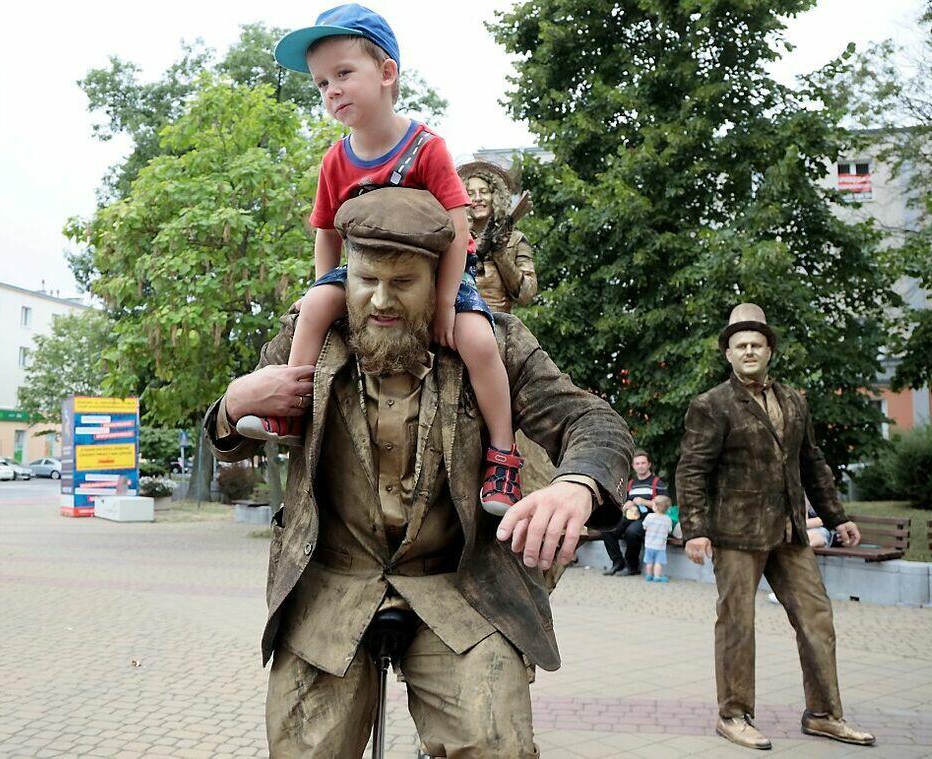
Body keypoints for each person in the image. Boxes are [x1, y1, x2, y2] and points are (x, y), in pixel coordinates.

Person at [206, 188, 633, 756]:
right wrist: (233, 405)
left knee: (495, 744)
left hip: (461, 586)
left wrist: (577, 485)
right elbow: (235, 436)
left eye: (403, 282)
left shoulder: (493, 340)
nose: (381, 300)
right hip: (331, 585)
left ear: (440, 280)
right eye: (365, 280)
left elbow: (593, 420)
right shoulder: (309, 335)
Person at [238, 4, 525, 515]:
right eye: (321, 83)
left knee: (480, 341)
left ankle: (503, 454)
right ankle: (295, 407)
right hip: (363, 274)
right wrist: (325, 288)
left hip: (439, 273)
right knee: (313, 309)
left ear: (387, 72)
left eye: (343, 74)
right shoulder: (335, 160)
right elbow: (326, 233)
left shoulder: (425, 147)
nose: (332, 91)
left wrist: (445, 304)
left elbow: (458, 230)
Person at [676, 303, 874, 750]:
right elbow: (692, 471)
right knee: (737, 624)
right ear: (728, 353)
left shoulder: (794, 400)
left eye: (756, 344)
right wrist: (695, 529)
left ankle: (824, 714)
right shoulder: (711, 404)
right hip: (736, 534)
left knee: (817, 618)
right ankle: (734, 715)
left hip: (790, 532)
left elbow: (812, 463)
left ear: (769, 351)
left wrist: (838, 517)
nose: (749, 351)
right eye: (740, 345)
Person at [458, 160, 538, 314]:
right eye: (470, 193)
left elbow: (526, 295)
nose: (478, 198)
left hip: (501, 322)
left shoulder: (516, 239)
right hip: (461, 319)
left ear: (495, 195)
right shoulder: (455, 238)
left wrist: (500, 256)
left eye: (484, 191)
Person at [602, 451, 666, 576]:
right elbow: (621, 502)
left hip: (649, 518)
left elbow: (665, 504)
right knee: (608, 529)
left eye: (643, 463)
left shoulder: (657, 483)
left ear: (649, 464)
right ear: (633, 466)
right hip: (630, 516)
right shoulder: (631, 483)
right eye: (637, 463)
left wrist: (645, 502)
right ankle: (617, 562)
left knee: (632, 532)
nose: (640, 466)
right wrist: (625, 504)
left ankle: (632, 566)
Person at [642, 495, 673, 583]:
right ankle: (657, 577)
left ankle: (649, 575)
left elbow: (644, 526)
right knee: (658, 563)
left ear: (655, 506)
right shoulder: (668, 519)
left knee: (649, 562)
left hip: (649, 544)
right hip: (660, 546)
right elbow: (669, 530)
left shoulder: (649, 516)